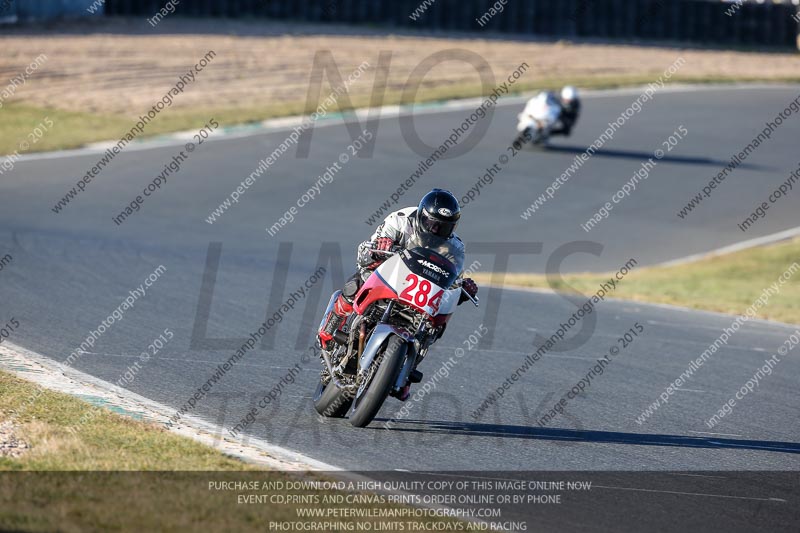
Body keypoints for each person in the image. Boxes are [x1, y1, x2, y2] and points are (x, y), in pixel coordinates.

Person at [317, 189, 479, 400]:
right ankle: (329, 333)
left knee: (434, 327)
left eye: (444, 227)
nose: (436, 230)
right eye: (432, 223)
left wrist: (463, 289)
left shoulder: (455, 247)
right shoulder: (400, 220)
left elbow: (453, 280)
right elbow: (364, 253)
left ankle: (407, 370)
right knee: (354, 287)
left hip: (419, 294)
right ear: (421, 215)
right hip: (388, 275)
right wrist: (378, 248)